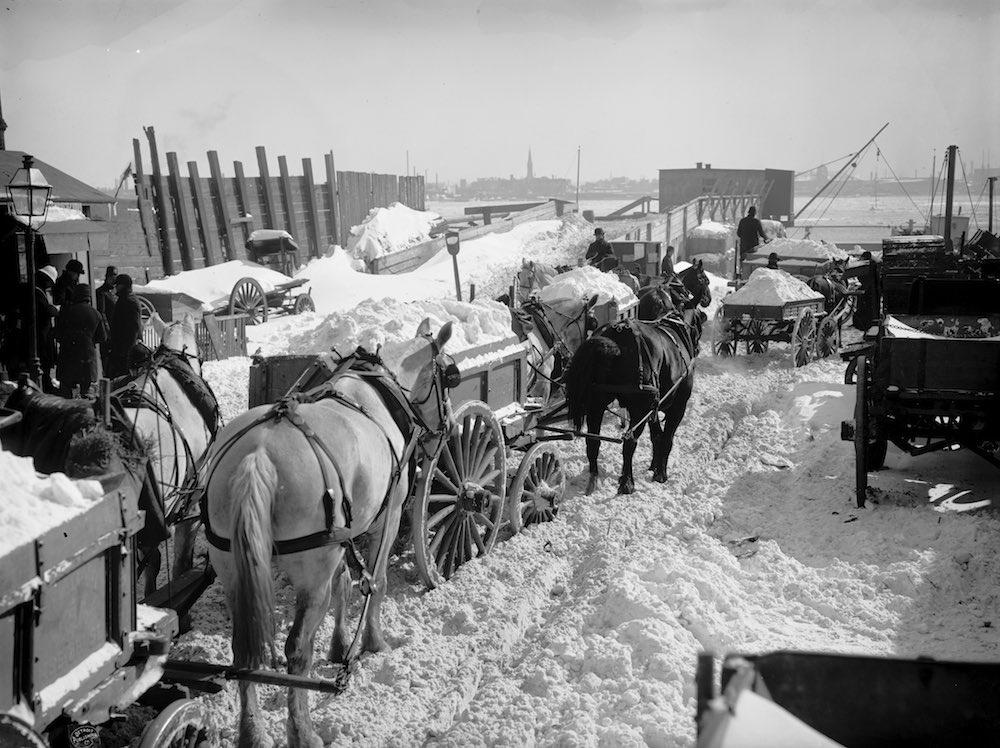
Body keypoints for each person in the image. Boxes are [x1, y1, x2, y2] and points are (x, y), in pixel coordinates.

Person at [54, 284, 106, 398]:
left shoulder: (66, 312)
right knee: (85, 393)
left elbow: (58, 334)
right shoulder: (96, 314)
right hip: (87, 357)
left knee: (65, 392)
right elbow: (102, 337)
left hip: (68, 356)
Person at [108, 273, 142, 378]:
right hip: (123, 346)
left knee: (123, 376)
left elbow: (133, 327)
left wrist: (127, 351)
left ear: (123, 285)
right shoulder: (127, 299)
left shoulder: (128, 301)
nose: (115, 287)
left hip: (125, 348)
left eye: (117, 285)